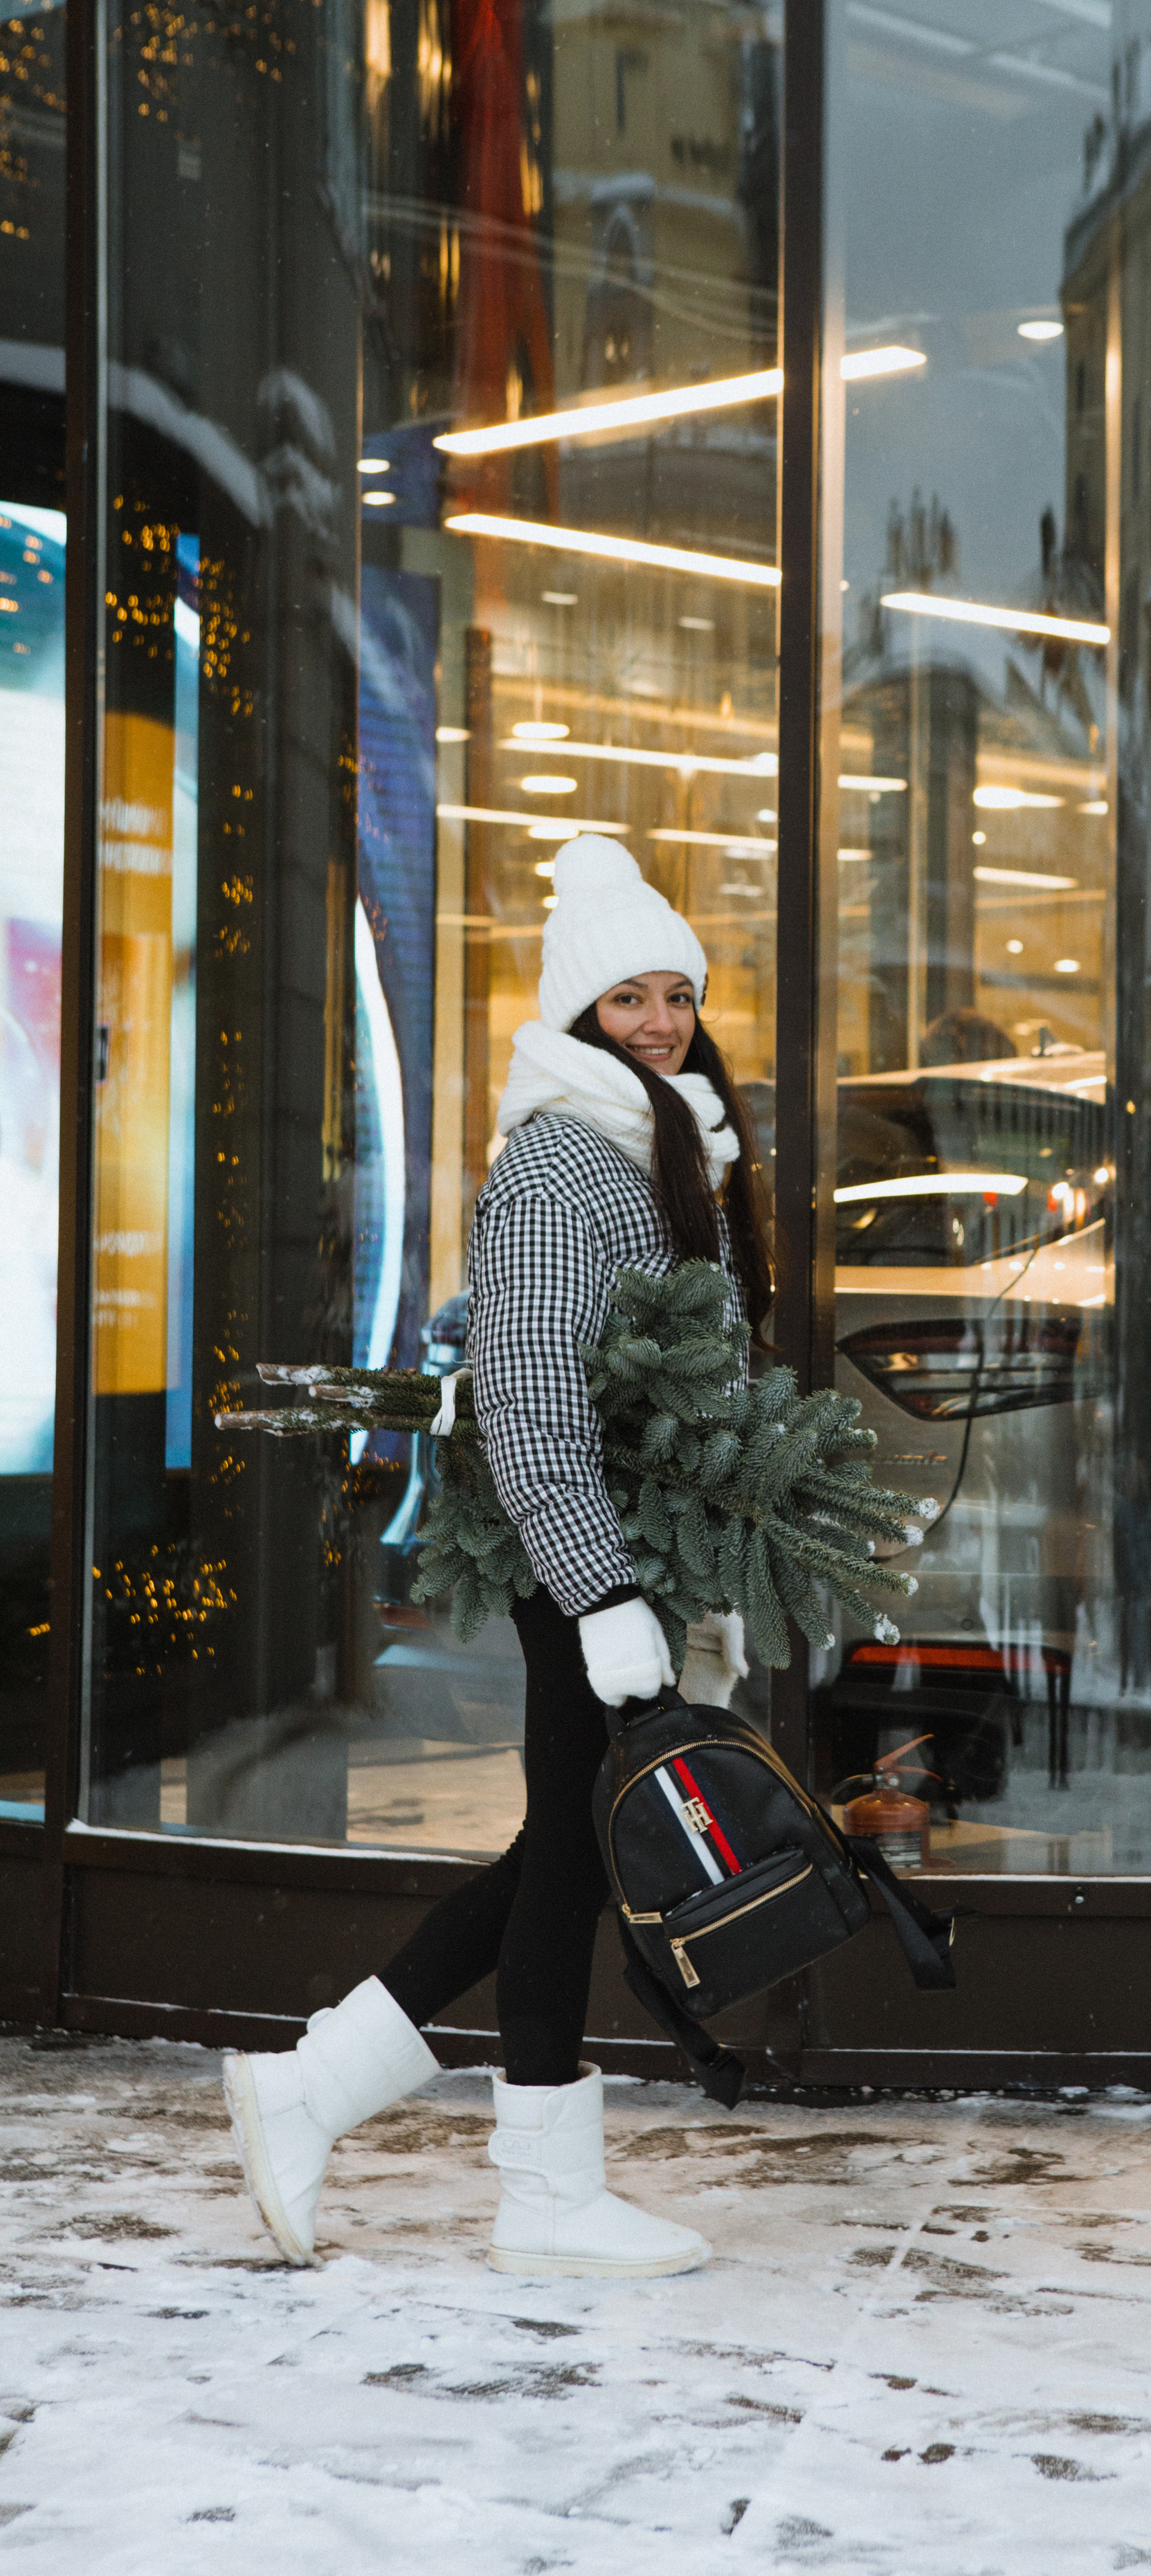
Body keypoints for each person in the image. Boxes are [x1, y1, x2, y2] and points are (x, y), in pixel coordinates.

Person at [222, 837, 773, 2279]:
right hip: (580, 1562)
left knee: (564, 1851)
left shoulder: (664, 1137)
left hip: (630, 1556)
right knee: (573, 1856)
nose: (660, 1021)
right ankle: (531, 2184)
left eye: (677, 995)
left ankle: (317, 2093)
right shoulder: (558, 1163)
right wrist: (602, 1596)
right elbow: (528, 1397)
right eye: (629, 999)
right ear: (580, 1012)